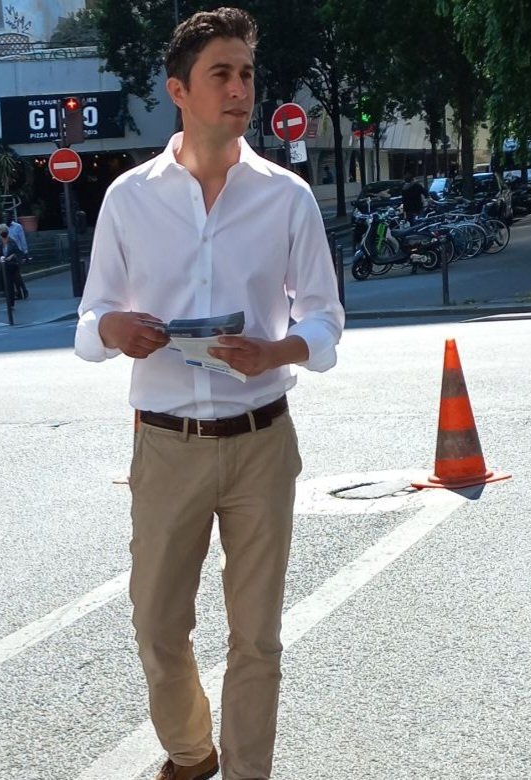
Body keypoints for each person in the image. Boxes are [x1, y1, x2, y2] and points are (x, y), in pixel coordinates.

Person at [74, 8, 344, 780]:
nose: (238, 88)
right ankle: (191, 755)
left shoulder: (285, 197)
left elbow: (325, 317)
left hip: (262, 440)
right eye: (220, 74)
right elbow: (90, 319)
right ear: (178, 91)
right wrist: (115, 329)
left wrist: (279, 350)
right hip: (165, 444)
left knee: (255, 637)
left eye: (246, 73)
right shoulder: (130, 198)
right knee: (158, 627)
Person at [0, 223, 24, 308]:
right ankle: (10, 303)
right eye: (2, 231)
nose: (3, 232)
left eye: (5, 230)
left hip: (13, 265)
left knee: (16, 281)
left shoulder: (12, 241)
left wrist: (12, 256)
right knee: (8, 285)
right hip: (3, 267)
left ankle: (21, 293)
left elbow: (17, 252)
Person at [4, 212, 29, 299]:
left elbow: (22, 239)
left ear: (11, 218)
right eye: (5, 217)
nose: (6, 219)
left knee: (16, 274)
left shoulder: (17, 226)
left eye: (8, 217)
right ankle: (20, 291)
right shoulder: (3, 227)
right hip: (7, 253)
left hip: (17, 253)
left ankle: (22, 291)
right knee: (13, 274)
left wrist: (25, 252)